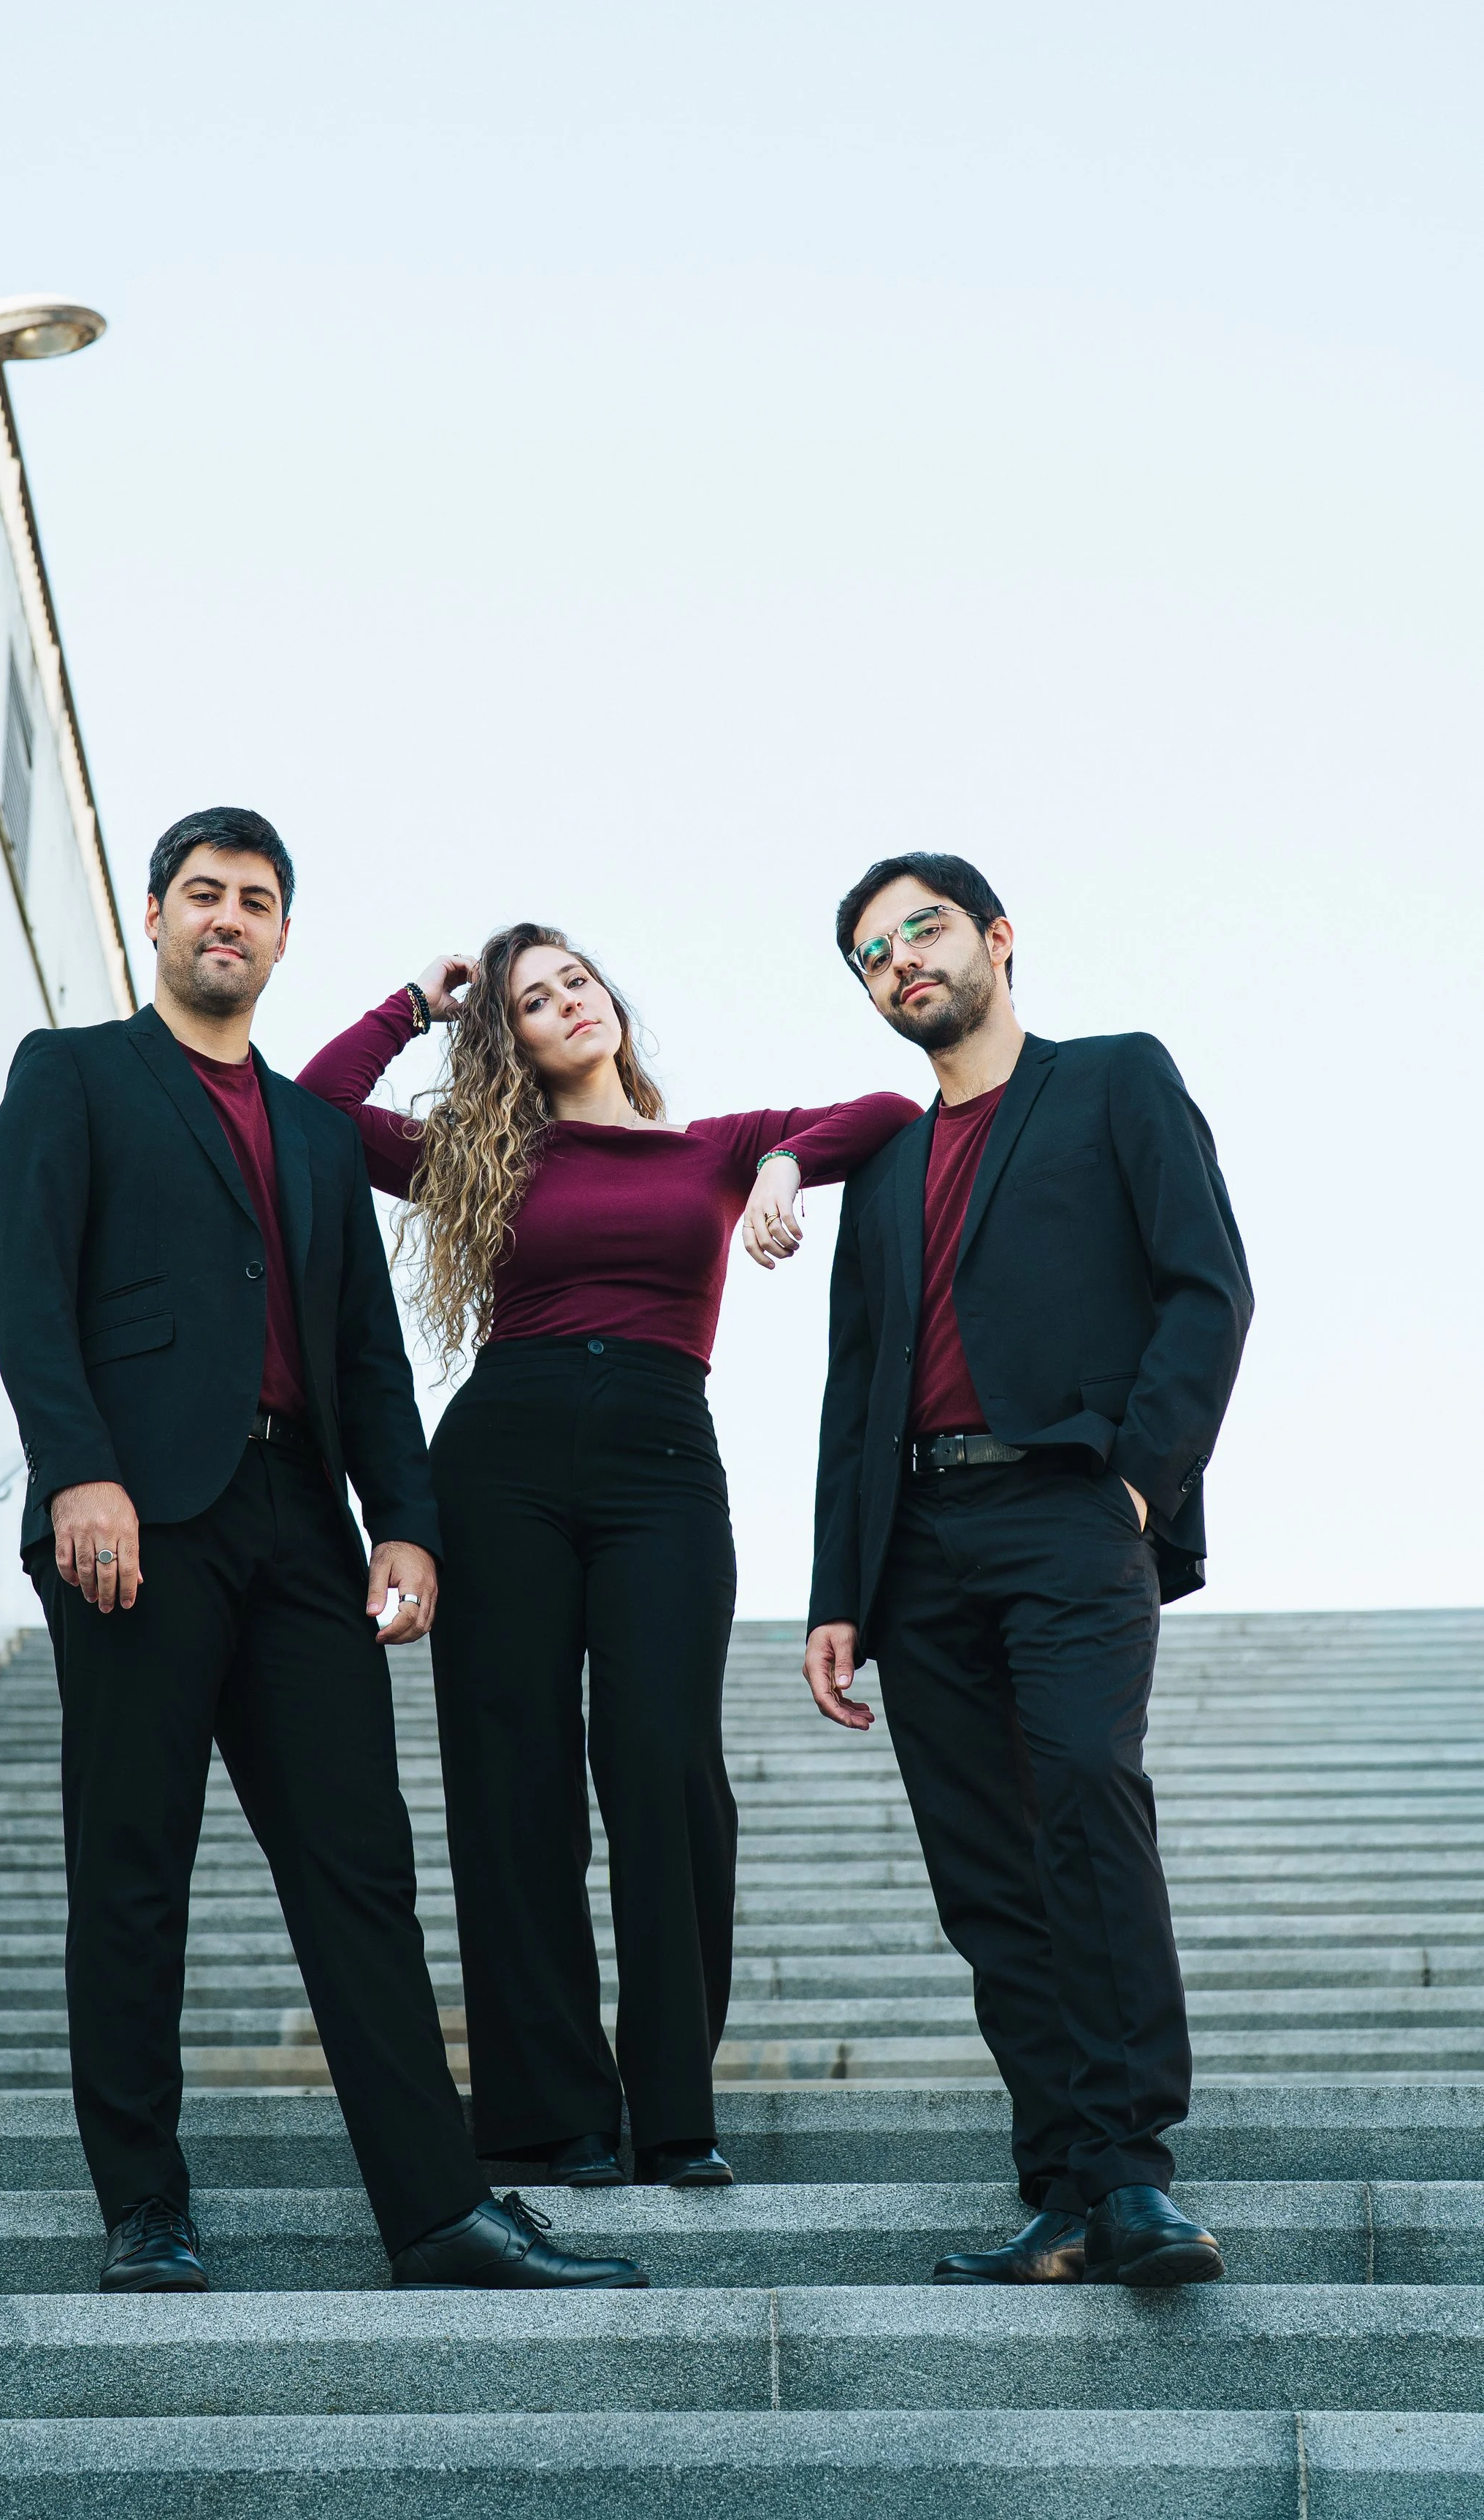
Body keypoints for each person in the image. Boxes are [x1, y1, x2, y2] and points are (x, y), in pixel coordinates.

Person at [0, 809, 644, 2295]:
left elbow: (364, 1349)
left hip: (302, 1528)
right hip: (136, 1522)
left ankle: (436, 2211)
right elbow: (26, 1290)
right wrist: (79, 1469)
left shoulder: (303, 1128)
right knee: (133, 1865)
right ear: (154, 916)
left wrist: (403, 1519)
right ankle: (143, 2207)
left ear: (283, 937)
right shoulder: (72, 1075)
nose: (228, 918)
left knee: (361, 1869)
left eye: (257, 901)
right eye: (203, 894)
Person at [298, 932, 918, 2188]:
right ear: (510, 1040)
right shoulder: (483, 1157)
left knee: (665, 1768)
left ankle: (675, 2111)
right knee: (510, 1779)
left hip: (662, 1470)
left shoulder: (716, 1149)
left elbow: (893, 1110)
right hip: (500, 1464)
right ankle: (547, 2119)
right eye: (532, 999)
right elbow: (310, 1118)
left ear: (612, 1002)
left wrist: (788, 1165)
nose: (564, 1003)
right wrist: (416, 1004)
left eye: (575, 980)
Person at [773, 851, 1252, 2289]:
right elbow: (854, 1387)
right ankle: (1055, 2186)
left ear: (993, 937)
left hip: (1064, 1503)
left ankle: (1129, 2177)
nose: (898, 960)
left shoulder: (1113, 1080)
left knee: (1086, 1810)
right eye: (869, 953)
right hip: (915, 1548)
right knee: (982, 1874)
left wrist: (1129, 1480)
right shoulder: (890, 1168)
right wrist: (835, 1594)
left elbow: (1206, 1286)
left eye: (919, 929)